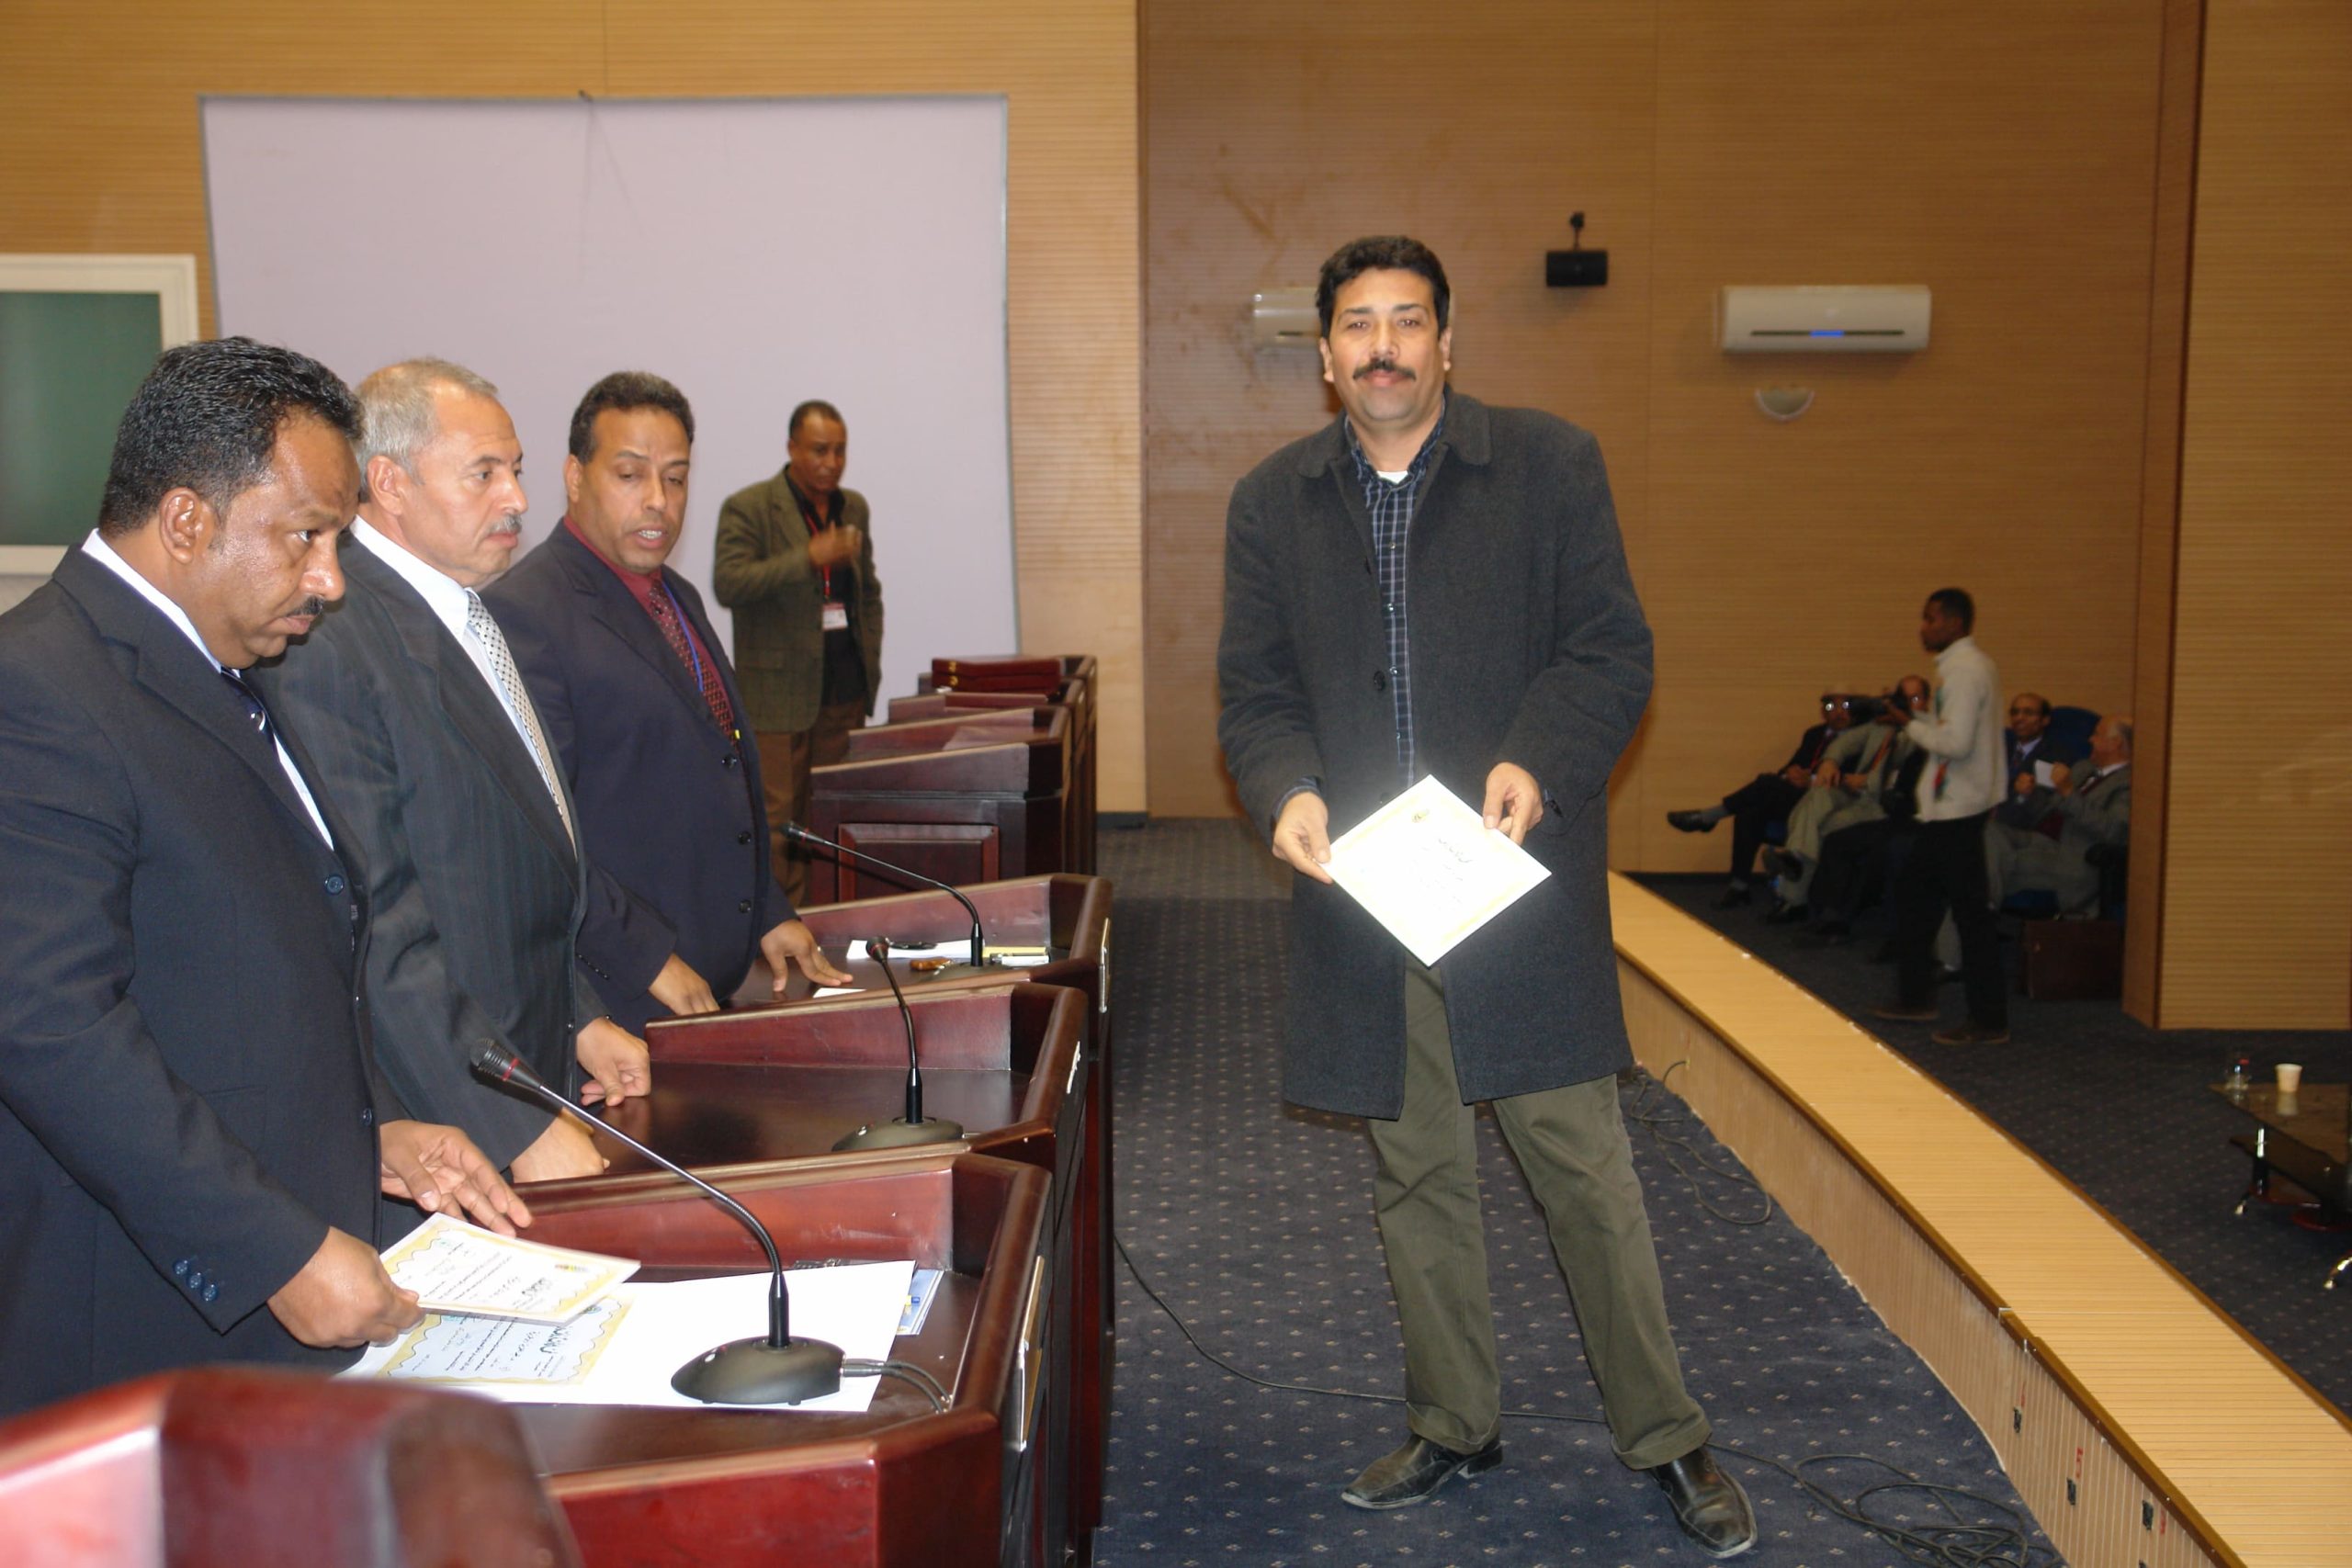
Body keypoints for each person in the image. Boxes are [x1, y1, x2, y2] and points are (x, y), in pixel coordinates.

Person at [1217, 236, 1754, 1559]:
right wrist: (1286, 787)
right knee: (1416, 1171)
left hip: (1510, 879)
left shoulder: (1550, 465)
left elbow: (1609, 651)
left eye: (1408, 321)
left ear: (1448, 343)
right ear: (1326, 354)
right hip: (1365, 890)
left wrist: (1540, 758)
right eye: (1358, 325)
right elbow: (1256, 691)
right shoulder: (1272, 501)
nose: (1383, 346)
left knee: (1582, 1167)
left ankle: (1667, 1434)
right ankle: (1454, 1419)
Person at [0, 338, 526, 1418]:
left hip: (292, 1262)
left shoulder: (220, 659)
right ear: (187, 521)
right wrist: (270, 1248)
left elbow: (245, 972)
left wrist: (371, 1131)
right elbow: (50, 1025)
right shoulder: (39, 688)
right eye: (306, 537)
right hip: (148, 1324)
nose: (329, 580)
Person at [260, 359, 650, 1184]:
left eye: (515, 469)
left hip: (528, 1061)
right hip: (445, 1124)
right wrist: (509, 1122)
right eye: (484, 473)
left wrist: (579, 1017)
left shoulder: (461, 608)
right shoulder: (331, 642)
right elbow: (379, 922)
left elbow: (508, 871)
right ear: (389, 484)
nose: (518, 498)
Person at [484, 372, 852, 1032]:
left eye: (676, 478)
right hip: (621, 998)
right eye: (630, 475)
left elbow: (717, 767)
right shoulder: (525, 612)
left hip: (710, 980)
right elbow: (542, 837)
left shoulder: (675, 594)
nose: (658, 500)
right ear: (575, 477)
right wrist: (647, 957)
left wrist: (768, 910)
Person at [713, 400, 884, 904]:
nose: (832, 463)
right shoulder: (749, 507)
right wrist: (807, 557)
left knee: (834, 815)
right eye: (819, 450)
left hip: (844, 692)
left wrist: (869, 661)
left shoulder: (854, 508)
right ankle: (783, 923)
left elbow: (867, 592)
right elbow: (729, 583)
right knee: (780, 823)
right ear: (792, 448)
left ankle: (830, 917)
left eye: (840, 451)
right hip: (777, 699)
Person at [1871, 589, 2009, 1045]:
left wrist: (1908, 724)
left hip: (1957, 809)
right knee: (1917, 899)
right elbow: (1952, 731)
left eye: (1931, 619)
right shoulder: (1966, 666)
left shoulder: (1965, 671)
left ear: (1954, 623)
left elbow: (1956, 745)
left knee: (1970, 916)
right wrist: (1915, 717)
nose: (1924, 628)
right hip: (1956, 808)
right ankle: (1916, 997)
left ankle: (1988, 1020)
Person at [1766, 679, 1928, 918]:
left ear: (1926, 703)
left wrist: (1865, 781)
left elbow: (1900, 775)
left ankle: (1794, 898)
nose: (1908, 705)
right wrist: (1830, 762)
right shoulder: (1881, 727)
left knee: (1816, 825)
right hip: (1855, 795)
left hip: (1882, 805)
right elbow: (1844, 742)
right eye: (1903, 698)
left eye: (1915, 699)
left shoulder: (1925, 734)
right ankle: (1796, 860)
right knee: (1817, 796)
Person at [1666, 700, 1849, 907]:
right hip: (1794, 800)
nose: (1839, 713)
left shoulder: (1857, 738)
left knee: (1766, 782)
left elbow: (1852, 781)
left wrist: (1812, 781)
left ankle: (1711, 816)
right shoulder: (1814, 734)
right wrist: (1790, 774)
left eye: (1845, 706)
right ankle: (1739, 887)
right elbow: (1789, 767)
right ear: (1823, 712)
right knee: (1748, 815)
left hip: (1825, 806)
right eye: (1832, 707)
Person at [1988, 714, 2132, 915]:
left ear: (2115, 743)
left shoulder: (2128, 784)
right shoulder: (2084, 767)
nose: (2090, 739)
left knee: (1983, 863)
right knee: (1986, 830)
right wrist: (2028, 795)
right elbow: (2050, 807)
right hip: (2039, 838)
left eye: (2097, 734)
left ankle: (1978, 912)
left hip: (2073, 855)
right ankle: (1979, 912)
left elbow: (2114, 831)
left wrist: (2068, 792)